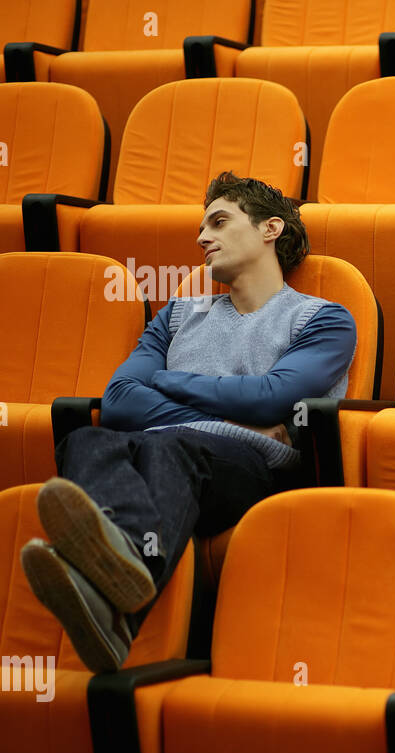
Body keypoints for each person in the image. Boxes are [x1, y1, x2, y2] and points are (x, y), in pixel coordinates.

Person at [20, 172, 356, 673]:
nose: (202, 237)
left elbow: (272, 397)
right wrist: (232, 412)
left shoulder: (324, 319)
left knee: (168, 448)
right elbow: (117, 402)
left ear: (270, 230)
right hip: (166, 451)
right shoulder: (177, 314)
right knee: (85, 439)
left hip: (252, 473)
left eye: (219, 221)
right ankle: (118, 604)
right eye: (202, 226)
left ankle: (112, 587)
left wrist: (169, 381)